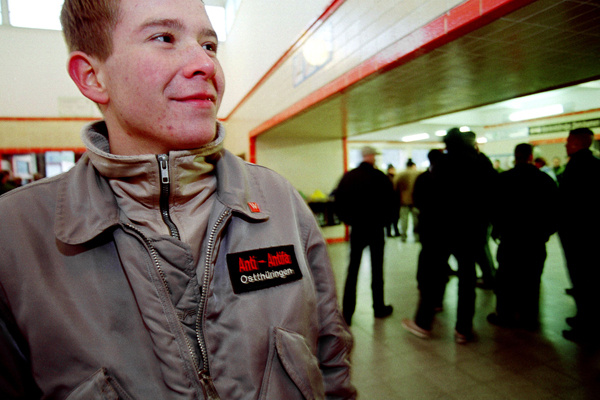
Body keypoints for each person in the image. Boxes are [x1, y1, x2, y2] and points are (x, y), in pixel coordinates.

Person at [0, 1, 356, 398]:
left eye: (209, 45)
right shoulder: (14, 236)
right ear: (92, 77)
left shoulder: (278, 199)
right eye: (164, 38)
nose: (205, 65)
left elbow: (331, 359)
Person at [402, 128, 496, 343]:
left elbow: (428, 201)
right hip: (471, 232)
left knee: (434, 277)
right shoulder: (481, 163)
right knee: (467, 279)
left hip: (441, 232)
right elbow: (492, 195)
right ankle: (463, 330)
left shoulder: (441, 165)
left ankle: (423, 323)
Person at [487, 143, 558, 330]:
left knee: (506, 278)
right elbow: (556, 211)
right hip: (535, 240)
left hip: (509, 239)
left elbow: (492, 208)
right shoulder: (545, 180)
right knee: (532, 279)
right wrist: (545, 233)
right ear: (531, 156)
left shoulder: (503, 179)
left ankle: (505, 314)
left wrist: (498, 229)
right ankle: (528, 317)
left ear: (515, 156)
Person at [334, 146, 394, 325]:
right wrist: (385, 222)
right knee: (377, 269)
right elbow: (391, 202)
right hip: (376, 228)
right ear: (371, 156)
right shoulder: (380, 177)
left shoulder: (349, 177)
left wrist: (349, 220)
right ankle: (379, 307)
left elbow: (339, 201)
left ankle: (347, 312)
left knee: (353, 269)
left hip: (358, 228)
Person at [558, 128, 600, 344]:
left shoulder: (575, 166)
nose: (565, 145)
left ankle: (586, 328)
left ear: (576, 142)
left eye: (568, 141)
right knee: (590, 280)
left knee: (582, 281)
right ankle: (585, 319)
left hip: (577, 235)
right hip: (592, 234)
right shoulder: (596, 164)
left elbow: (567, 202)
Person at [393, 158, 420, 242]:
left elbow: (395, 187)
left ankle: (403, 236)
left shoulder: (400, 174)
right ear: (413, 165)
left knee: (404, 219)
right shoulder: (418, 174)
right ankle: (416, 236)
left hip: (403, 200)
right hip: (416, 200)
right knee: (416, 219)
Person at [385, 164, 401, 237]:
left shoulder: (394, 177)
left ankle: (395, 231)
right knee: (390, 218)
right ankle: (389, 232)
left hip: (394, 201)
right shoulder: (387, 178)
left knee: (395, 218)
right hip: (390, 201)